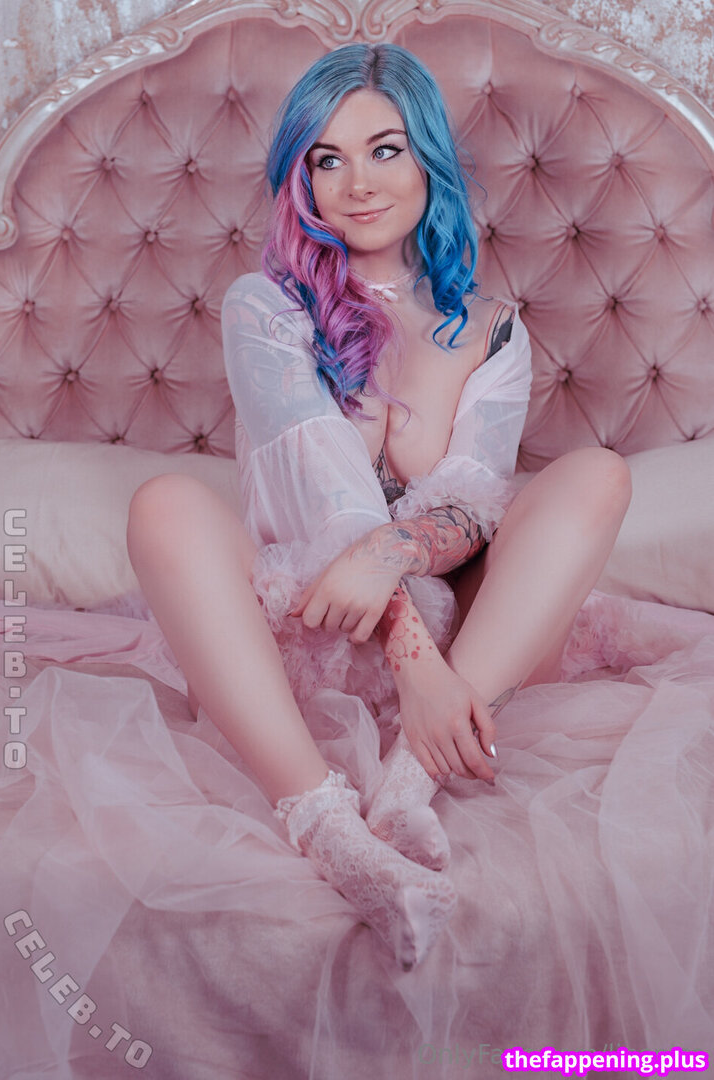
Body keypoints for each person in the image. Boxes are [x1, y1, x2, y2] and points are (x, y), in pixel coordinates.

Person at [125, 43, 632, 970]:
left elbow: (475, 505)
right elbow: (320, 484)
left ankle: (408, 782)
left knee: (598, 473)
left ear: (428, 157)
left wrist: (393, 560)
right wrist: (409, 657)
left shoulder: (492, 328)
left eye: (385, 149)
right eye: (328, 159)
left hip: (461, 658)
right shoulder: (265, 307)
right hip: (303, 638)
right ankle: (331, 830)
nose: (357, 183)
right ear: (302, 181)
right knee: (164, 504)